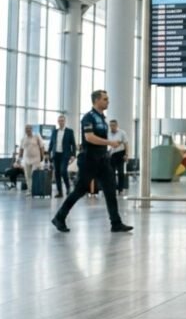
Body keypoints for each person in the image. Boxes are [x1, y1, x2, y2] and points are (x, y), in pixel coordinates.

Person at [51, 90, 133, 233]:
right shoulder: (88, 118)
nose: (108, 101)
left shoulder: (102, 118)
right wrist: (110, 142)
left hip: (103, 160)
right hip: (89, 160)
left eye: (107, 99)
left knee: (110, 189)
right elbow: (89, 137)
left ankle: (116, 223)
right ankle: (59, 217)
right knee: (80, 190)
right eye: (105, 99)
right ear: (96, 101)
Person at [48, 115, 76, 198]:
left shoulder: (69, 131)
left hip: (65, 154)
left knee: (63, 171)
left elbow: (73, 144)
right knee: (57, 173)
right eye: (59, 121)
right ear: (58, 122)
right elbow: (51, 143)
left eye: (62, 121)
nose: (61, 122)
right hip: (56, 155)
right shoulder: (54, 131)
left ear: (64, 121)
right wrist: (48, 153)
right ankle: (60, 192)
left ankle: (68, 187)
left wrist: (73, 155)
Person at [18, 124, 45, 194]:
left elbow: (42, 147)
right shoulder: (23, 139)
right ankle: (29, 190)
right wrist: (19, 159)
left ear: (31, 129)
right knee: (28, 175)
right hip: (26, 159)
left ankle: (35, 189)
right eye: (26, 129)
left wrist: (42, 157)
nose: (28, 130)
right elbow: (21, 149)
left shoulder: (37, 136)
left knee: (34, 174)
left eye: (29, 128)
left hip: (36, 159)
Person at [108, 119, 129, 195]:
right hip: (111, 154)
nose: (112, 127)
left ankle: (121, 189)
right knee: (112, 173)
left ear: (117, 125)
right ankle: (113, 188)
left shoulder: (122, 133)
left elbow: (126, 144)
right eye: (110, 125)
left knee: (120, 172)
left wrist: (126, 154)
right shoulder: (108, 134)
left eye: (113, 125)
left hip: (120, 153)